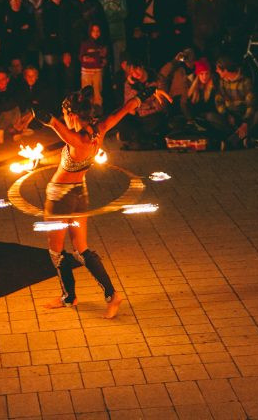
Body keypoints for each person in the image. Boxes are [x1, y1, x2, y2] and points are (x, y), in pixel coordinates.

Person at [33, 85, 169, 318]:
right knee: (81, 249)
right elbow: (124, 109)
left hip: (59, 196)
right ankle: (111, 295)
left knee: (56, 252)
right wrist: (148, 92)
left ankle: (69, 297)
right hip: (79, 193)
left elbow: (52, 123)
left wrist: (35, 110)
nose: (65, 119)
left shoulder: (77, 140)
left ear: (73, 116)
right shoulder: (100, 129)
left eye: (67, 115)